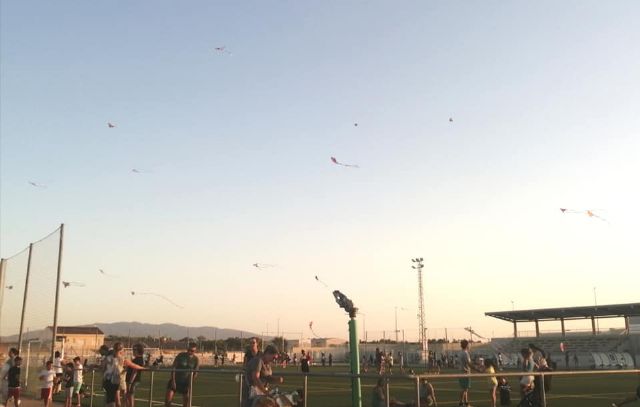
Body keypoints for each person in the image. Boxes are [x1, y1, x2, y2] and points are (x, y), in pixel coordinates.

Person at [103, 342, 145, 407]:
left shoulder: (108, 358)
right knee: (118, 400)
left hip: (108, 381)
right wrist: (144, 368)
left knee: (110, 400)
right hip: (117, 381)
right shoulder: (123, 359)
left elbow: (103, 368)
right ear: (121, 350)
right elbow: (135, 366)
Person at [165, 342, 199, 407]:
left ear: (195, 351)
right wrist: (173, 380)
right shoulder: (181, 355)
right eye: (188, 350)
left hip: (185, 383)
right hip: (175, 380)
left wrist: (190, 383)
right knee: (168, 400)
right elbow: (174, 367)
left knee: (186, 402)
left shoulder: (196, 359)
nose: (189, 352)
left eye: (192, 351)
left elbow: (195, 373)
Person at [458, 339, 473, 407]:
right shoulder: (465, 353)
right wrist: (477, 369)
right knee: (464, 389)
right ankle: (461, 403)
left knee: (465, 388)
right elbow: (469, 364)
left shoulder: (461, 352)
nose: (469, 346)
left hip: (462, 372)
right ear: (466, 345)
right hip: (465, 372)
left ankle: (466, 403)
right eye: (468, 344)